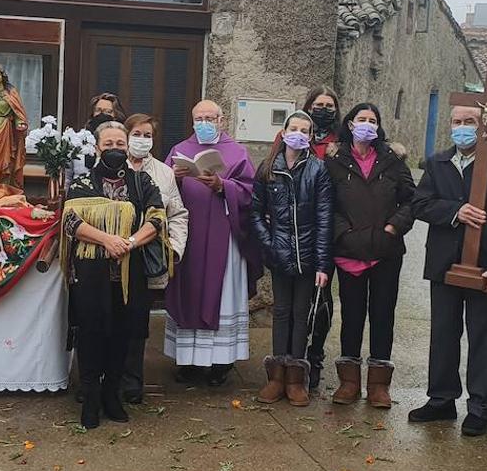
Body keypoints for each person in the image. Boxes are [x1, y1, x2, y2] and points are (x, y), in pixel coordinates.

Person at [409, 105, 487, 437]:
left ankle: (480, 407)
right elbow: (420, 204)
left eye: (469, 122)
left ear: (483, 125)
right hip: (444, 263)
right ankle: (441, 399)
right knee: (443, 333)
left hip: (485, 266)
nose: (462, 128)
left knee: (485, 337)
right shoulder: (438, 162)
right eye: (457, 122)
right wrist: (456, 211)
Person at [60, 121, 169, 428]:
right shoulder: (82, 183)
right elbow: (70, 221)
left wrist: (128, 243)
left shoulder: (141, 182)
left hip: (130, 271)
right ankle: (91, 396)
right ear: (97, 148)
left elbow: (157, 218)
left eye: (120, 144)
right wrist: (106, 240)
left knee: (123, 334)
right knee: (92, 333)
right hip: (91, 273)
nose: (115, 150)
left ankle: (112, 395)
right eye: (108, 144)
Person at [163, 100, 261, 387]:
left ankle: (221, 362)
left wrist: (223, 187)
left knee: (222, 296)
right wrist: (175, 178)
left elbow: (251, 193)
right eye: (199, 118)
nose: (204, 122)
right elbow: (161, 192)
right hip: (188, 237)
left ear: (221, 120)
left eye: (210, 117)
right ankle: (188, 363)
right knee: (189, 291)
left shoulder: (238, 152)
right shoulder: (179, 151)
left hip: (223, 237)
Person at [323, 103, 414, 407]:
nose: (367, 125)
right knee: (351, 314)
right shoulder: (335, 161)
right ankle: (349, 382)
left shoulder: (393, 160)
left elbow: (411, 201)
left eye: (372, 120)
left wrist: (393, 227)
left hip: (386, 251)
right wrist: (343, 233)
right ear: (349, 124)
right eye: (361, 119)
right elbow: (327, 204)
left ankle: (378, 385)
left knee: (382, 314)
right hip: (349, 251)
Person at [252, 111, 334, 406]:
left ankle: (296, 377)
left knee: (302, 314)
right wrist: (269, 244)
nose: (299, 134)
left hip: (309, 254)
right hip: (280, 253)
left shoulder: (318, 169)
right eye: (294, 128)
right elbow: (256, 213)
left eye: (305, 130)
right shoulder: (267, 168)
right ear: (284, 132)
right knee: (282, 311)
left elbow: (325, 218)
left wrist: (323, 264)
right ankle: (276, 377)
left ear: (311, 137)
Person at [121, 113, 190, 403]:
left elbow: (178, 214)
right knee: (107, 320)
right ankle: (101, 379)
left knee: (138, 322)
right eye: (137, 133)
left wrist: (174, 248)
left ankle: (132, 382)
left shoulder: (164, 173)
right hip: (110, 255)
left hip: (145, 257)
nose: (142, 139)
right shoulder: (111, 166)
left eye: (147, 135)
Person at [303, 85, 341, 390]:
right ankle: (293, 356)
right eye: (318, 104)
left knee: (322, 297)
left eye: (329, 105)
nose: (323, 109)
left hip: (330, 228)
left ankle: (315, 357)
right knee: (295, 299)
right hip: (299, 228)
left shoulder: (341, 142)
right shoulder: (295, 133)